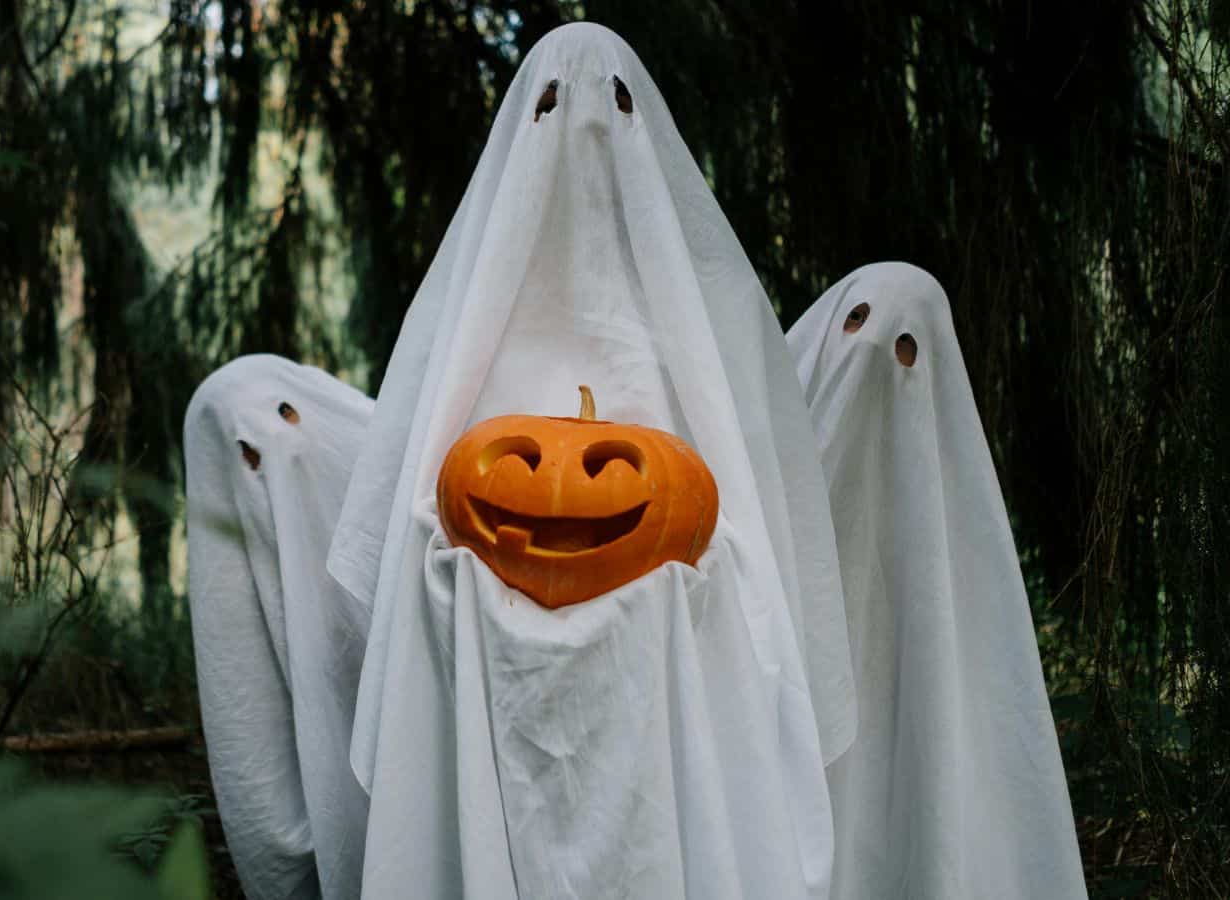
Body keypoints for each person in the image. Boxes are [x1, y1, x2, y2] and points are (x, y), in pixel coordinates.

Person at [326, 22, 856, 898]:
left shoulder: (715, 303)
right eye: (546, 107)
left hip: (670, 604)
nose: (580, 130)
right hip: (490, 580)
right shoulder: (460, 308)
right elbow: (411, 498)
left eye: (612, 105)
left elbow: (764, 511)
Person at [786, 262, 1087, 899]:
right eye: (856, 322)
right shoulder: (758, 500)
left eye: (904, 348)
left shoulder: (957, 556)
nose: (869, 351)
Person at [184, 354, 374, 900]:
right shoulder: (236, 553)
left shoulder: (377, 472)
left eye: (288, 418)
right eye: (247, 451)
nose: (269, 448)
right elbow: (248, 742)